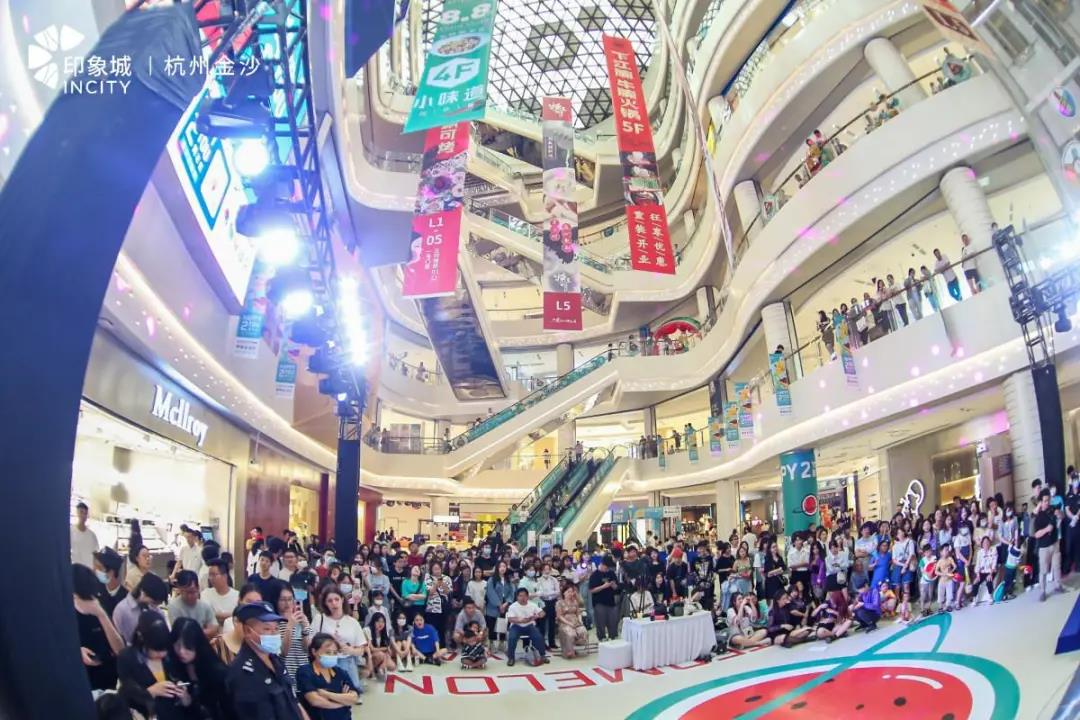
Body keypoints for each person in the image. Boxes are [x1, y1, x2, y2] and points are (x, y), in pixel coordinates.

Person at [117, 613, 195, 719]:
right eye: (156, 650)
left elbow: (185, 686)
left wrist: (185, 697)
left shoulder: (171, 655)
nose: (162, 654)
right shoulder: (127, 658)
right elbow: (126, 696)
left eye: (164, 649)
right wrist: (149, 693)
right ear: (142, 638)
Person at [74, 564, 125, 692]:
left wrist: (101, 615)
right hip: (80, 681)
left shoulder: (101, 606)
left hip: (107, 678)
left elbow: (119, 649)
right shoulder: (65, 614)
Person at [169, 617, 231, 720]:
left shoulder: (216, 673)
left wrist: (190, 703)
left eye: (188, 646)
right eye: (177, 645)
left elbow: (224, 712)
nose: (181, 651)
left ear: (197, 645)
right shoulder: (173, 665)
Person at [313, 586, 369, 690]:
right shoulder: (319, 619)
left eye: (336, 599)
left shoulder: (352, 622)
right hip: (325, 661)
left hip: (347, 661)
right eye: (330, 601)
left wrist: (350, 650)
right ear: (325, 603)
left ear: (342, 600)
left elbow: (362, 649)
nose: (334, 603)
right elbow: (311, 643)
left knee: (351, 691)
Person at [296, 633, 360, 720]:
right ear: (314, 651)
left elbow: (354, 698)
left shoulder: (340, 672)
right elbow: (315, 701)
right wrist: (342, 702)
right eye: (328, 652)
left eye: (335, 653)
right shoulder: (305, 671)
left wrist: (326, 694)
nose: (332, 656)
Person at [113, 573, 170, 644]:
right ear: (143, 593)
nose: (155, 606)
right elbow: (117, 639)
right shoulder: (121, 610)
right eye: (154, 602)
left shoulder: (156, 610)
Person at [274, 583, 312, 688]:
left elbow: (308, 650)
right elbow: (283, 652)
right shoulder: (274, 623)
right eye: (283, 599)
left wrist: (305, 628)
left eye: (290, 599)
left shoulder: (301, 619)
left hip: (303, 674)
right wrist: (289, 626)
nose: (287, 603)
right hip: (285, 675)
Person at [1034, 489, 1066, 601]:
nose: (1047, 502)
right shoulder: (1038, 516)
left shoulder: (1053, 509)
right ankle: (1043, 591)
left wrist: (1060, 513)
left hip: (1055, 543)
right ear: (1041, 502)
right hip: (1044, 547)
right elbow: (1036, 534)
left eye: (1048, 500)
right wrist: (1046, 529)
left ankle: (1058, 585)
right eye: (1045, 501)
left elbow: (1062, 516)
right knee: (1043, 570)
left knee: (1057, 566)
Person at [505, 587, 550, 667]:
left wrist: (537, 616)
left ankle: (543, 655)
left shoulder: (532, 605)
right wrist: (521, 620)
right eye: (520, 596)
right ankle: (511, 658)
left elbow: (542, 613)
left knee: (538, 637)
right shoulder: (513, 606)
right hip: (516, 626)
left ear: (527, 596)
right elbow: (510, 619)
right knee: (512, 638)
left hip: (529, 625)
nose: (523, 598)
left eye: (525, 596)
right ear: (517, 597)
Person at [168, 570, 219, 639]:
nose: (189, 596)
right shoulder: (173, 606)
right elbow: (179, 632)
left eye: (192, 592)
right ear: (179, 589)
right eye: (185, 592)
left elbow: (214, 627)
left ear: (198, 588)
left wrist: (197, 633)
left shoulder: (205, 606)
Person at [589, 555, 621, 641]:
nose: (607, 570)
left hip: (611, 602)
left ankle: (613, 638)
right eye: (606, 568)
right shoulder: (594, 575)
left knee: (613, 622)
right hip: (599, 602)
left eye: (609, 568)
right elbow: (592, 590)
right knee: (600, 623)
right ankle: (602, 638)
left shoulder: (611, 573)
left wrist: (614, 585)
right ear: (602, 564)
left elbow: (617, 588)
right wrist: (603, 586)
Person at [485, 561, 514, 649]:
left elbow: (511, 593)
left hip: (505, 606)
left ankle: (502, 643)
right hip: (493, 606)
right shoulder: (492, 580)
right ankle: (492, 643)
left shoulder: (508, 580)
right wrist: (499, 605)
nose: (502, 568)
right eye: (500, 566)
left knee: (503, 625)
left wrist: (507, 603)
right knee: (492, 626)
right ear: (497, 568)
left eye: (504, 566)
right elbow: (490, 593)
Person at [201, 559, 239, 626]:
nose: (210, 578)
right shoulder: (205, 593)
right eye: (209, 575)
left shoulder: (237, 595)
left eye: (213, 575)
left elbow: (239, 617)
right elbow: (207, 615)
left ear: (225, 576)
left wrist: (216, 616)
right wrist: (232, 615)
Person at [94, 547, 129, 618]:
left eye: (99, 568)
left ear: (111, 572)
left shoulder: (126, 598)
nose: (95, 570)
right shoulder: (95, 589)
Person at [555, 584, 588, 658]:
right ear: (564, 593)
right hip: (565, 622)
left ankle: (576, 645)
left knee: (583, 632)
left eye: (571, 592)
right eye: (568, 592)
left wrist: (580, 621)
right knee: (570, 634)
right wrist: (569, 623)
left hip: (575, 622)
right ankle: (569, 651)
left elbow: (578, 613)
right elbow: (559, 616)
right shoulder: (559, 603)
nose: (570, 593)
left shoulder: (575, 602)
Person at [365, 613, 397, 679]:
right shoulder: (367, 630)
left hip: (381, 655)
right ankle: (372, 669)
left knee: (393, 666)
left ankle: (380, 668)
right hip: (368, 656)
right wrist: (385, 648)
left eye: (383, 622)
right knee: (381, 654)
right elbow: (372, 649)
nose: (381, 624)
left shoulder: (383, 632)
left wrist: (387, 651)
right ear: (373, 621)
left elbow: (387, 647)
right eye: (378, 621)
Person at [71, 501, 100, 569]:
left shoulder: (92, 535)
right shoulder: (70, 531)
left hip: (89, 570)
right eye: (81, 512)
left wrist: (95, 569)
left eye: (85, 513)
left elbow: (95, 554)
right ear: (77, 513)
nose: (83, 516)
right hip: (75, 570)